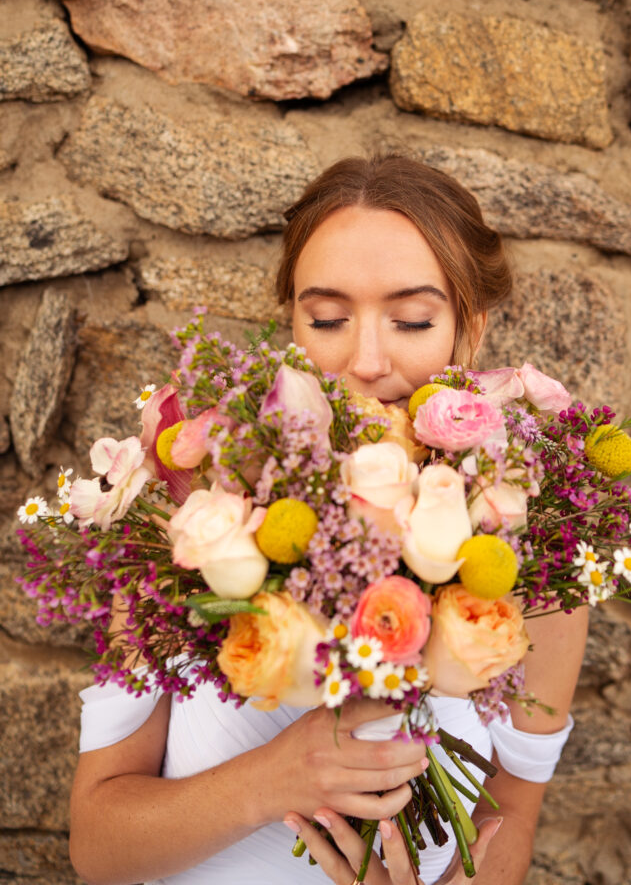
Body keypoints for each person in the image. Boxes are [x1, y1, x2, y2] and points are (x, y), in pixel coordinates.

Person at [69, 154, 588, 885]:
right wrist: (272, 781)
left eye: (411, 319)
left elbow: (513, 811)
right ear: (292, 323)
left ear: (467, 330)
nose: (366, 360)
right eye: (328, 318)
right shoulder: (195, 524)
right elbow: (97, 847)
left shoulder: (534, 554)